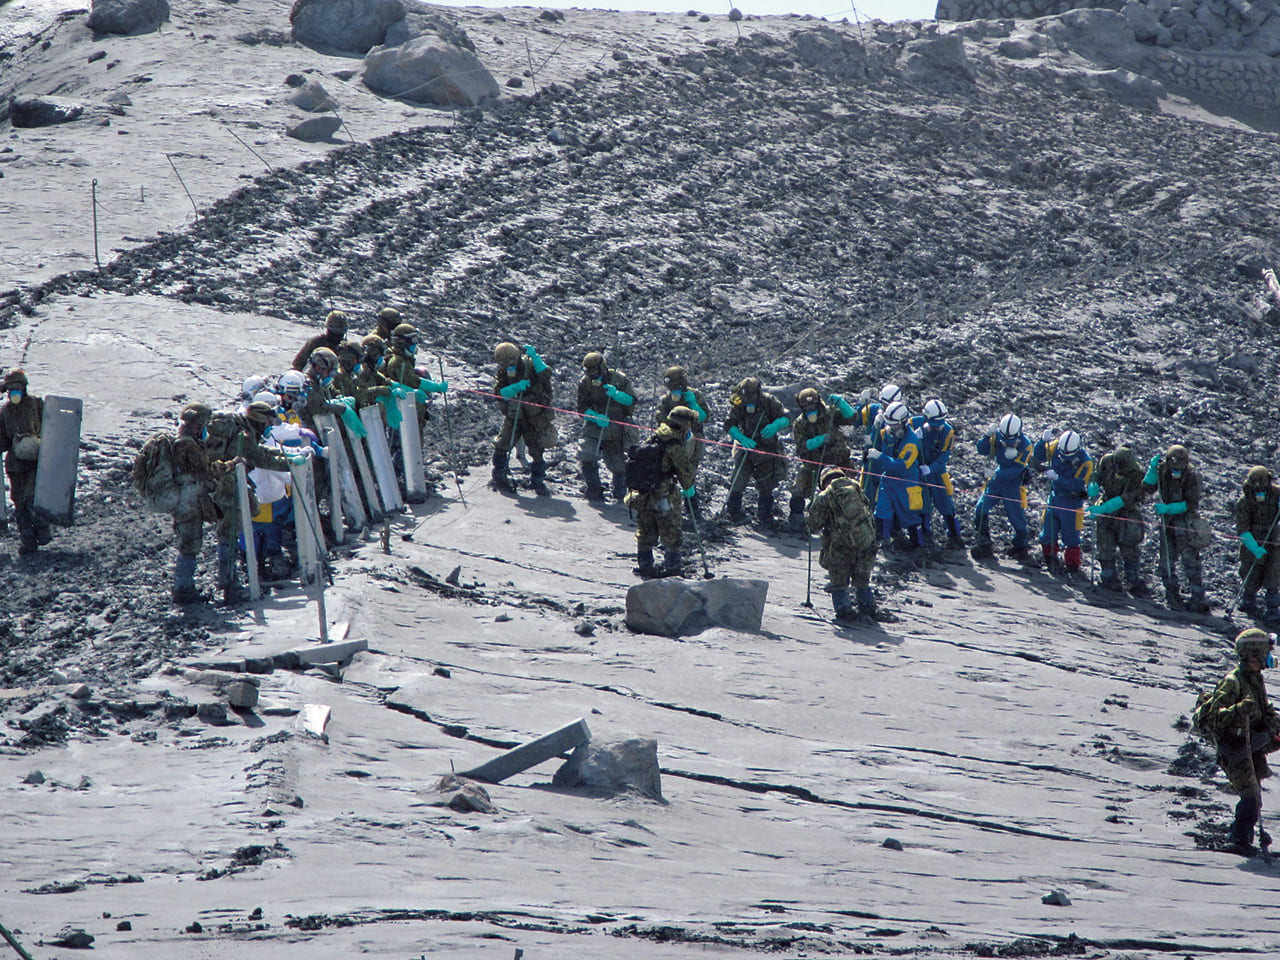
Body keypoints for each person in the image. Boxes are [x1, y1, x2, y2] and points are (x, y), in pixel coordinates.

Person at [202, 401, 295, 603]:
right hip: (228, 488)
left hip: (227, 484)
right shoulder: (243, 436)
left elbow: (260, 453)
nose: (268, 427)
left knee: (233, 531)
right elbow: (260, 458)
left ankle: (236, 580)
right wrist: (290, 463)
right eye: (267, 422)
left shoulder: (241, 431)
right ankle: (230, 586)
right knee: (229, 534)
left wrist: (287, 455)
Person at [1202, 629, 1280, 855]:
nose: (1271, 655)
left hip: (1252, 745)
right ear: (1254, 653)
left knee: (1254, 795)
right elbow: (1214, 718)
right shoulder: (1233, 682)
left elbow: (1266, 712)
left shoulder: (1255, 679)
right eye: (1266, 651)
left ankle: (1244, 837)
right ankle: (1236, 839)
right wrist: (1238, 709)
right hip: (1234, 748)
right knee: (1250, 795)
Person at [625, 406, 697, 578]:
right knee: (671, 532)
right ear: (684, 426)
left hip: (643, 494)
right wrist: (690, 488)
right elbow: (686, 474)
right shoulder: (674, 444)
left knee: (646, 531)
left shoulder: (655, 436)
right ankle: (672, 568)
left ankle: (645, 565)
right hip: (664, 493)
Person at [806, 466, 878, 621]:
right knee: (862, 579)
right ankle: (868, 607)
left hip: (841, 544)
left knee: (838, 579)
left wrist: (810, 511)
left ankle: (844, 610)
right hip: (866, 541)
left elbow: (813, 524)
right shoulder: (857, 488)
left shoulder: (826, 495)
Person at [1144, 443, 1210, 613]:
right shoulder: (1162, 470)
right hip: (1167, 524)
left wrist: (1169, 508)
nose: (1176, 470)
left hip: (1186, 525)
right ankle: (1171, 593)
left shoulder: (1192, 475)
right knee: (1166, 561)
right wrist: (1151, 471)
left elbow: (1191, 503)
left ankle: (1197, 597)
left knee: (1191, 562)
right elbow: (1148, 488)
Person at [167, 403, 217, 602]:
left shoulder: (182, 441)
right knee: (190, 543)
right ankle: (183, 588)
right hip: (187, 500)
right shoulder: (187, 445)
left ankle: (184, 586)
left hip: (184, 498)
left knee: (189, 542)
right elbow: (204, 471)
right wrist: (229, 466)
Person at [492, 342, 556, 496]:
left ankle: (538, 481)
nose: (506, 366)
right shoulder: (504, 371)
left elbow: (546, 375)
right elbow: (498, 392)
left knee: (536, 449)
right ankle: (499, 476)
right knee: (502, 444)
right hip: (514, 415)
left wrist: (536, 359)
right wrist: (514, 388)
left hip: (534, 416)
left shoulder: (530, 364)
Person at [723, 376, 789, 525]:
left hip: (767, 449)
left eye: (752, 395)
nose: (749, 398)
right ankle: (734, 511)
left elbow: (785, 417)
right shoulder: (738, 402)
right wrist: (740, 437)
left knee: (766, 484)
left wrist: (776, 425)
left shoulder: (769, 401)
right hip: (746, 446)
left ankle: (764, 515)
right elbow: (729, 424)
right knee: (738, 480)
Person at [788, 387, 853, 533]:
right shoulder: (800, 423)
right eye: (806, 407)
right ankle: (796, 521)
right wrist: (819, 440)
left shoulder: (830, 414)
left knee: (847, 490)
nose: (810, 409)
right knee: (798, 489)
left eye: (813, 405)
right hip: (813, 463)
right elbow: (801, 447)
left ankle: (843, 523)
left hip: (837, 462)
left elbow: (851, 418)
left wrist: (842, 404)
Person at [0, 368, 50, 555]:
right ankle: (28, 540)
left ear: (24, 388)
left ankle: (42, 529)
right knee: (19, 502)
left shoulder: (36, 405)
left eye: (18, 388)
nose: (15, 393)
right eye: (11, 389)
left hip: (36, 461)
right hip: (15, 464)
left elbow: (50, 427)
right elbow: (3, 441)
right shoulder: (4, 412)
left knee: (32, 497)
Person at [971, 413, 1033, 561]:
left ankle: (1021, 546)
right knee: (981, 508)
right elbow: (982, 450)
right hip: (997, 479)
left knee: (1016, 516)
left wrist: (994, 475)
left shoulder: (1026, 444)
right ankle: (984, 541)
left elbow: (1017, 469)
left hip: (1013, 483)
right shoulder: (997, 435)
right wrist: (987, 437)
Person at [1088, 444, 1149, 594]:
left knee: (1129, 547)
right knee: (1105, 544)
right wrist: (1093, 483)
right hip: (1107, 507)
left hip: (1127, 512)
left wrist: (1103, 509)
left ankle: (1133, 579)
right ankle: (1108, 577)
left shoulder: (1138, 475)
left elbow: (1125, 499)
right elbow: (1097, 474)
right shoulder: (1106, 461)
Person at [1032, 428, 1093, 576]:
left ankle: (1072, 566)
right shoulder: (1056, 447)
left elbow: (1078, 484)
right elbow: (1039, 456)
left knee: (1071, 537)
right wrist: (1042, 442)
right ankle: (1049, 558)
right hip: (1054, 498)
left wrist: (1059, 478)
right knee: (1048, 532)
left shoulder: (1085, 462)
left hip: (1071, 502)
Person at [576, 351, 636, 502]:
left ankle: (620, 493)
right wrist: (594, 416)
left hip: (616, 427)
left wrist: (617, 395)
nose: (594, 377)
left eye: (596, 374)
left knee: (618, 464)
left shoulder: (619, 379)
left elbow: (631, 402)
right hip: (594, 426)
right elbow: (581, 408)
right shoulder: (585, 382)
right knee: (587, 454)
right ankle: (594, 490)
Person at [868, 400, 925, 548]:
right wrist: (875, 427)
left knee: (910, 515)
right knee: (882, 510)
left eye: (895, 425)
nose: (891, 428)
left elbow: (901, 466)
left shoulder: (911, 442)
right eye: (889, 425)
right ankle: (882, 541)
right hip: (887, 480)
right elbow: (875, 442)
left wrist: (880, 457)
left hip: (906, 483)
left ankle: (918, 545)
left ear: (904, 422)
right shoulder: (887, 432)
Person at [655, 366, 710, 517]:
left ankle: (693, 510)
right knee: (667, 472)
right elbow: (659, 419)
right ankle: (668, 506)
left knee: (688, 474)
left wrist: (693, 404)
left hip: (694, 439)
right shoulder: (666, 399)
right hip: (672, 440)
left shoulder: (695, 395)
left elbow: (705, 417)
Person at [911, 397, 964, 547]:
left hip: (937, 472)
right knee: (923, 503)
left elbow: (944, 455)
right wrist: (914, 439)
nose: (936, 428)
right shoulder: (914, 423)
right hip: (919, 471)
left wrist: (931, 468)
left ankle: (954, 535)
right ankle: (926, 534)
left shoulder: (947, 432)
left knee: (945, 502)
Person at [1235, 466, 1280, 622]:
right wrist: (1254, 547)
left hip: (1273, 540)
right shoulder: (1244, 501)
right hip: (1252, 539)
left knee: (1273, 573)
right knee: (1249, 572)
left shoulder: (1277, 494)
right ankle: (1248, 601)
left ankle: (1272, 608)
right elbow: (1242, 527)